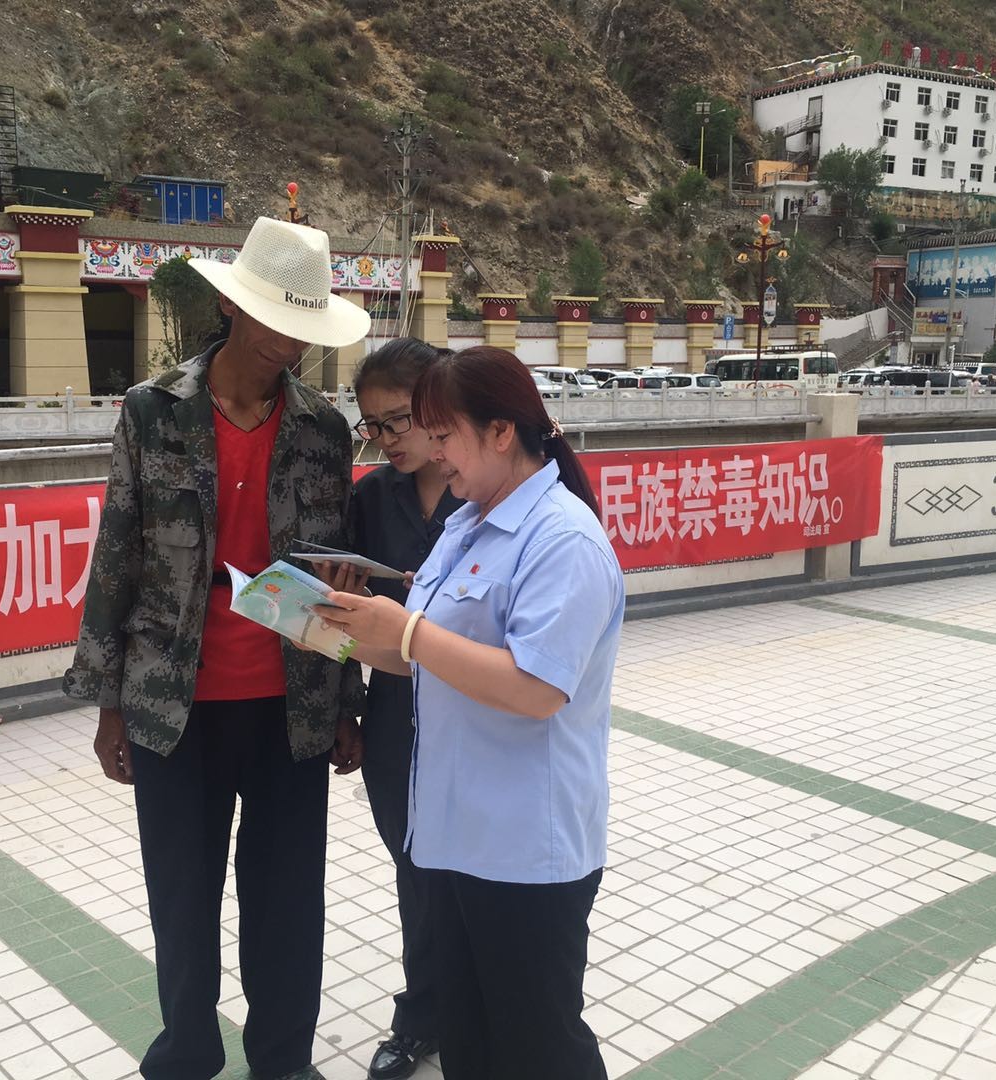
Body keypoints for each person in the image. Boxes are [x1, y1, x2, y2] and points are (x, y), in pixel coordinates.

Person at [63, 216, 371, 1080]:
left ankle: (284, 1060)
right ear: (234, 307)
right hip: (174, 706)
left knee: (287, 903)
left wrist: (346, 704)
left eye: (305, 328)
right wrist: (110, 704)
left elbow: (338, 577)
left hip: (290, 708)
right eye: (277, 320)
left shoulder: (323, 430)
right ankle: (187, 1055)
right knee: (182, 899)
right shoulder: (153, 412)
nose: (290, 345)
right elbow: (116, 554)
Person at [315, 346, 625, 1080]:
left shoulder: (563, 539)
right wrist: (330, 628)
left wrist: (408, 632)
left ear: (501, 432)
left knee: (540, 1048)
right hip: (452, 837)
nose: (432, 453)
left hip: (524, 848)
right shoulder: (468, 526)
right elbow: (419, 658)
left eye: (442, 435)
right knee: (471, 1043)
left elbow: (536, 689)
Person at [346, 339, 463, 1080]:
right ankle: (421, 1018)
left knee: (471, 877)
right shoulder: (370, 498)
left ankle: (476, 1010)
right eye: (373, 425)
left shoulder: (484, 490)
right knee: (415, 872)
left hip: (475, 715)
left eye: (398, 421)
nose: (386, 439)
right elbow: (351, 608)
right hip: (395, 717)